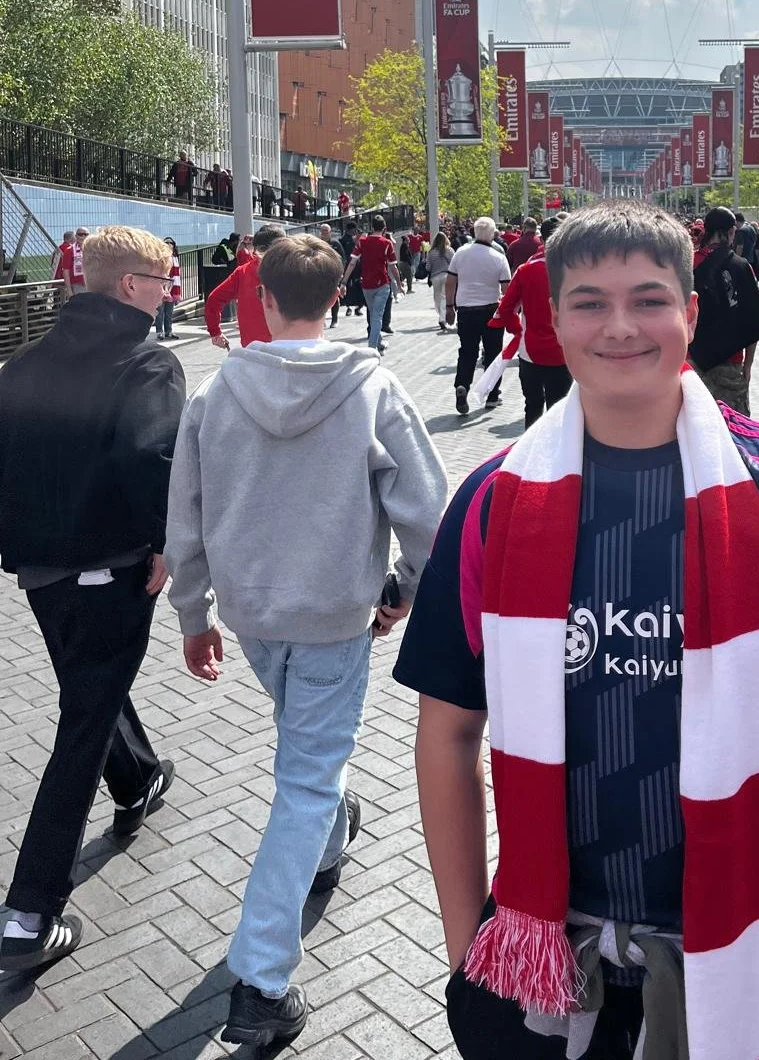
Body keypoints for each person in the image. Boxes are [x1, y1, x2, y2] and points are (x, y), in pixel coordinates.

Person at [394, 203, 759, 1060]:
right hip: (547, 966)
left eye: (648, 298)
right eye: (590, 302)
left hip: (757, 953)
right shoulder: (492, 501)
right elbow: (447, 729)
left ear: (691, 313)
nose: (621, 326)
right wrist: (467, 951)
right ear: (551, 319)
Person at [165, 234, 448, 1046]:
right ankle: (260, 975)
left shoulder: (214, 397)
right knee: (307, 773)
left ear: (261, 296)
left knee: (306, 757)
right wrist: (408, 589)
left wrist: (194, 614)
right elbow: (427, 511)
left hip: (253, 612)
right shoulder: (372, 385)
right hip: (334, 610)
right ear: (338, 296)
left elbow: (183, 521)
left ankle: (325, 837)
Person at [0, 227, 185, 973]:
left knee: (91, 688)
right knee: (83, 721)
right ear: (129, 285)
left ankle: (137, 778)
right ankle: (28, 914)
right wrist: (169, 541)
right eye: (164, 276)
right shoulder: (147, 360)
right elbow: (152, 458)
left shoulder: (23, 363)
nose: (172, 286)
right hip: (113, 565)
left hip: (42, 572)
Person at [688, 205, 759, 414]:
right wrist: (748, 365)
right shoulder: (741, 266)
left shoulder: (686, 263)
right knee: (735, 432)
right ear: (731, 231)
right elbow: (753, 318)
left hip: (691, 361)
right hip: (730, 362)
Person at [494, 218, 572, 428]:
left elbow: (505, 308)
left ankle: (532, 452)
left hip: (530, 350)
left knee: (533, 405)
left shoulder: (526, 270)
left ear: (542, 238)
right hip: (565, 350)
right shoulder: (576, 270)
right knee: (561, 408)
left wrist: (515, 329)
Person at [446, 217, 511, 416]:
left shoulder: (460, 253)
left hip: (465, 309)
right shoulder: (497, 256)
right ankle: (491, 394)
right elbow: (506, 287)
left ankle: (462, 384)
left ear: (474, 232)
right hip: (491, 309)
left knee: (467, 351)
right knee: (493, 353)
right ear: (492, 234)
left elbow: (450, 281)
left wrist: (449, 306)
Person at [205, 226, 285, 350]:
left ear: (255, 248)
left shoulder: (242, 273)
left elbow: (214, 300)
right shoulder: (294, 270)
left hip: (253, 351)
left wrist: (215, 332)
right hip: (288, 348)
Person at [340, 214, 401, 353]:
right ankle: (372, 349)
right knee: (377, 316)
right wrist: (399, 283)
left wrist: (344, 282)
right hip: (382, 283)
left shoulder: (362, 241)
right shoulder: (386, 243)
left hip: (366, 284)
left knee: (373, 313)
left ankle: (378, 342)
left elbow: (352, 263)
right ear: (384, 228)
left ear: (372, 227)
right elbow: (393, 267)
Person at [155, 237, 182, 340]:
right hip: (162, 287)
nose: (169, 245)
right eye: (167, 243)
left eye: (171, 243)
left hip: (172, 288)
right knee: (160, 311)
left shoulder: (175, 258)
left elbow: (177, 277)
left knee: (169, 312)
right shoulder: (160, 258)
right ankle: (159, 331)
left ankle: (168, 331)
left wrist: (177, 291)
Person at [427, 231, 453, 332]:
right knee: (444, 297)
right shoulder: (449, 250)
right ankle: (442, 318)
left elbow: (428, 267)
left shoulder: (431, 252)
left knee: (437, 297)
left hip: (435, 277)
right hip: (447, 275)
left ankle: (441, 317)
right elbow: (454, 263)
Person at [731, 210, 759, 277]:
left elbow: (740, 246)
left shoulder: (740, 231)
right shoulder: (751, 228)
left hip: (743, 259)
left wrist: (737, 260)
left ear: (736, 221)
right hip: (751, 258)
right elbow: (754, 241)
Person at [51, 230, 76, 299]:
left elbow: (52, 263)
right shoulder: (70, 249)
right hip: (65, 278)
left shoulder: (58, 249)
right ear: (72, 239)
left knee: (56, 300)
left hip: (55, 278)